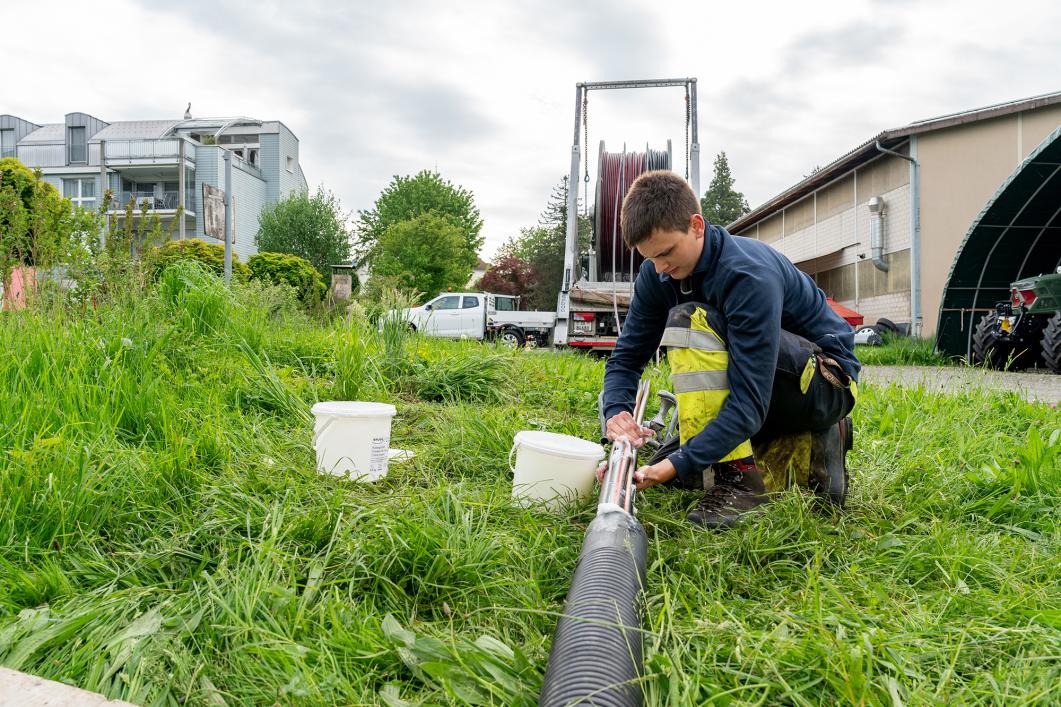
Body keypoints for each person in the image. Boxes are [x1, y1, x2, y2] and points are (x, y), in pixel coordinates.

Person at [599, 171, 860, 529]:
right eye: (650, 258)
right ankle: (789, 454)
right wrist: (616, 413)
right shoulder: (656, 274)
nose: (661, 269)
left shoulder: (747, 275)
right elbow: (626, 359)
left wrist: (681, 459)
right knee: (674, 471)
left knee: (690, 321)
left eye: (666, 253)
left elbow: (750, 401)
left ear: (696, 225)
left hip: (825, 384)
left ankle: (740, 484)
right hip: (765, 387)